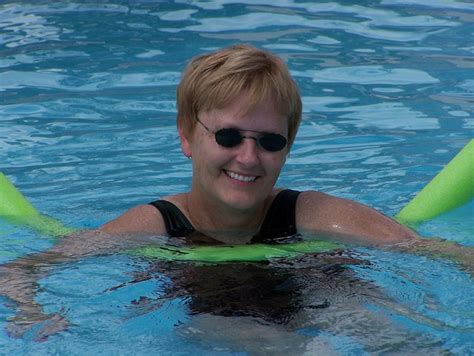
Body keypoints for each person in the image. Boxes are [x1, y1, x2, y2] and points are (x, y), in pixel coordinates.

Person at [0, 44, 472, 341]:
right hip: (216, 312)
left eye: (269, 141)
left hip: (327, 290)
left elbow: (437, 253)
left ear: (287, 149)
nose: (248, 158)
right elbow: (22, 268)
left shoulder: (315, 213)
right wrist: (31, 310)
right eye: (228, 137)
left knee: (403, 337)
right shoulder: (156, 226)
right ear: (187, 136)